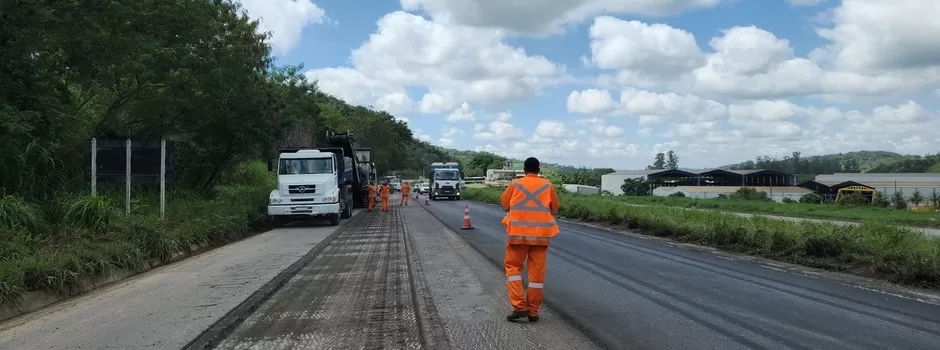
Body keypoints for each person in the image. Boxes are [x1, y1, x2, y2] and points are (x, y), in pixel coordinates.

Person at [499, 157, 559, 323]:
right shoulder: (548, 185)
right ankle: (533, 312)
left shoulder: (515, 184)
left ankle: (519, 307)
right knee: (536, 276)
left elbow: (504, 204)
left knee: (513, 268)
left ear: (524, 169)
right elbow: (554, 208)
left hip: (518, 236)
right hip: (540, 238)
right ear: (538, 170)